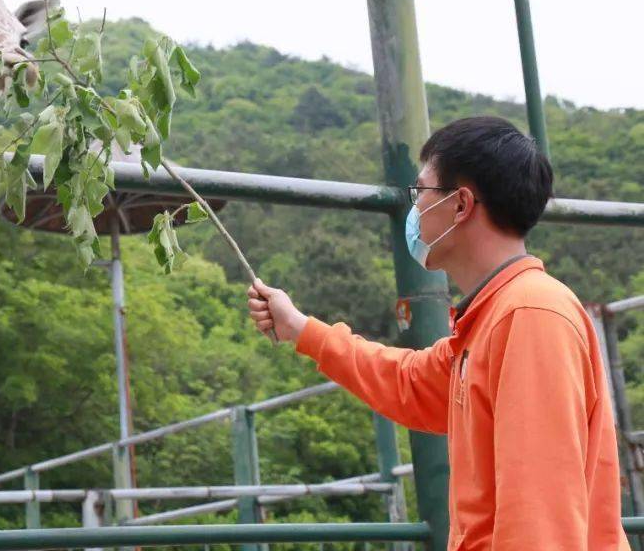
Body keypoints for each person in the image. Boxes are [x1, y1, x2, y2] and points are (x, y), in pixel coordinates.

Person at [247, 116, 631, 550]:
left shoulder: (529, 315)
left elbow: (539, 522)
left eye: (421, 193)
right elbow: (410, 382)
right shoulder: (492, 318)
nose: (415, 210)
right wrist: (300, 329)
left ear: (461, 204)